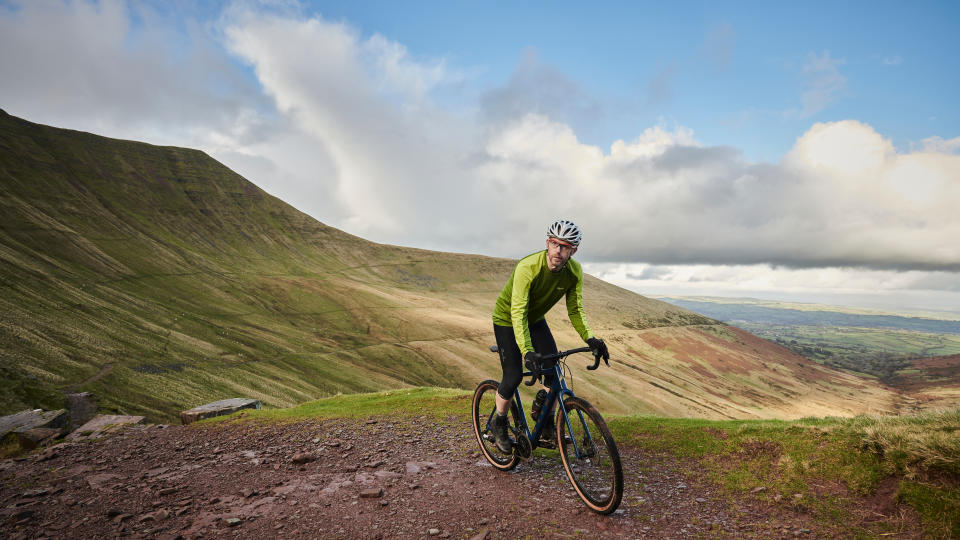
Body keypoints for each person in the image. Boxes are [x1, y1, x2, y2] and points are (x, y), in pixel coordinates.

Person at [490, 219, 610, 452]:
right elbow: (518, 311)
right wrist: (527, 351)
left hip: (535, 320)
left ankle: (544, 423)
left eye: (565, 247)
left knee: (554, 370)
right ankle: (499, 423)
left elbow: (575, 309)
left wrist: (590, 339)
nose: (558, 250)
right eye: (555, 244)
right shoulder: (528, 267)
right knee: (513, 375)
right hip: (507, 319)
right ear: (547, 243)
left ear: (573, 251)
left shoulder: (574, 272)